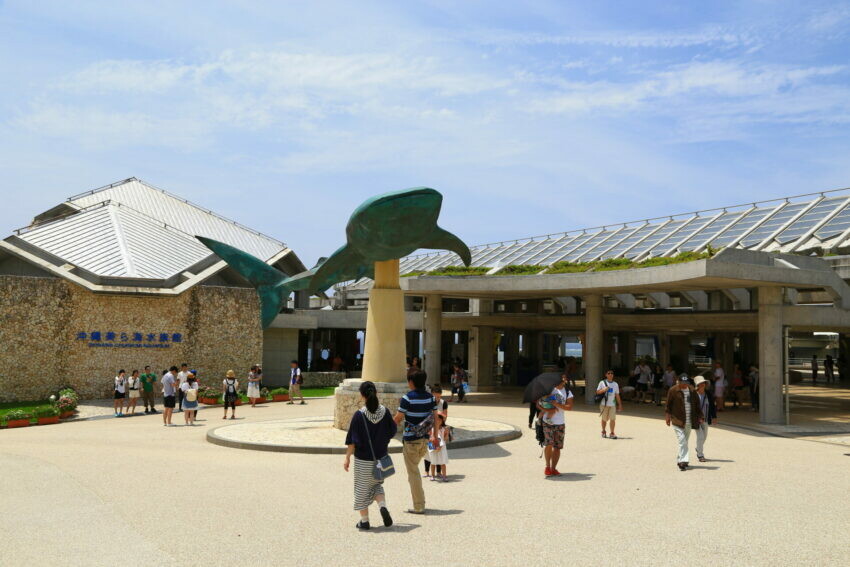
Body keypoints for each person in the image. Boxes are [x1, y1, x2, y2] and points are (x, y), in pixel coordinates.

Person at [344, 381, 397, 531]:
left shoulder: (359, 415)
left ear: (362, 395)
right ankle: (382, 506)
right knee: (376, 485)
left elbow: (352, 441)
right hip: (380, 459)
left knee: (361, 490)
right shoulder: (385, 412)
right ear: (376, 393)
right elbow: (392, 431)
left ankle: (364, 521)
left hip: (363, 461)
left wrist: (347, 458)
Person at [393, 370, 438, 515]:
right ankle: (420, 502)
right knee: (415, 471)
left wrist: (385, 429)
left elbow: (398, 418)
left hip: (411, 440)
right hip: (425, 439)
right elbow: (435, 418)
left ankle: (419, 505)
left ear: (411, 382)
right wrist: (435, 436)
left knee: (413, 473)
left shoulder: (407, 398)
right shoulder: (431, 398)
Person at [536, 374, 574, 477]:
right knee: (549, 444)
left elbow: (569, 407)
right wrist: (547, 410)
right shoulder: (550, 389)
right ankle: (547, 467)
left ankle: (553, 468)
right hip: (547, 422)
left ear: (565, 380)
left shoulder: (567, 392)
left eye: (563, 378)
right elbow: (538, 404)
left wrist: (556, 404)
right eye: (560, 378)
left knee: (557, 447)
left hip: (560, 423)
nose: (561, 380)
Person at [665, 374, 703, 471]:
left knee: (684, 441)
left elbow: (697, 405)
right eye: (682, 383)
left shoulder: (692, 390)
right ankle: (683, 461)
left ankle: (680, 459)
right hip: (677, 420)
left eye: (686, 383)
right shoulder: (673, 390)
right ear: (678, 382)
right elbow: (668, 405)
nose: (684, 385)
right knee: (682, 440)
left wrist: (700, 416)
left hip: (689, 421)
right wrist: (667, 416)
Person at [424, 384, 448, 477]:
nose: (437, 398)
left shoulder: (443, 403)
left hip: (439, 427)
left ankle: (438, 472)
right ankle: (427, 471)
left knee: (438, 450)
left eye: (438, 396)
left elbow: (445, 416)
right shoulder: (427, 402)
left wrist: (439, 417)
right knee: (429, 450)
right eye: (435, 396)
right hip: (429, 427)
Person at [694, 376, 717, 463]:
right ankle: (700, 455)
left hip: (706, 418)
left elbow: (712, 406)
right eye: (701, 383)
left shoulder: (708, 394)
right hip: (696, 419)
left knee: (704, 437)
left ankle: (698, 448)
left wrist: (714, 417)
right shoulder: (693, 394)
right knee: (700, 437)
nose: (703, 384)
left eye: (704, 383)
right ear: (697, 385)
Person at [596, 370, 623, 439]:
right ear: (606, 375)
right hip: (604, 404)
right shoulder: (602, 382)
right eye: (609, 373)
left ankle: (612, 433)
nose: (610, 374)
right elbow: (597, 392)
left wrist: (620, 405)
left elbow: (617, 395)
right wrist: (604, 390)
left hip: (612, 405)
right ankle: (603, 431)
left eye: (612, 373)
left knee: (612, 419)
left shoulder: (615, 384)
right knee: (604, 419)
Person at [428, 413, 451, 482]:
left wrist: (447, 433)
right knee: (433, 462)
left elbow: (445, 439)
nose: (437, 421)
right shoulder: (431, 429)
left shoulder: (444, 429)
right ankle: (432, 475)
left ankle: (444, 476)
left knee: (443, 462)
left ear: (442, 421)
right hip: (433, 446)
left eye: (439, 420)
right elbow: (428, 437)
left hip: (442, 447)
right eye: (436, 420)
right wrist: (431, 440)